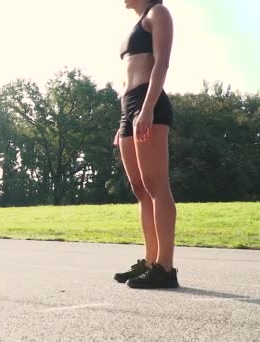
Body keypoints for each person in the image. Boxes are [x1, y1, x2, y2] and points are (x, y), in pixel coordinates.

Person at [112, 0, 178, 289]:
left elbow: (161, 63)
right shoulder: (136, 23)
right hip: (128, 108)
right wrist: (122, 121)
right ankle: (150, 261)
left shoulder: (158, 13)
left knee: (156, 186)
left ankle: (165, 267)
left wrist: (148, 107)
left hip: (147, 102)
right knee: (140, 189)